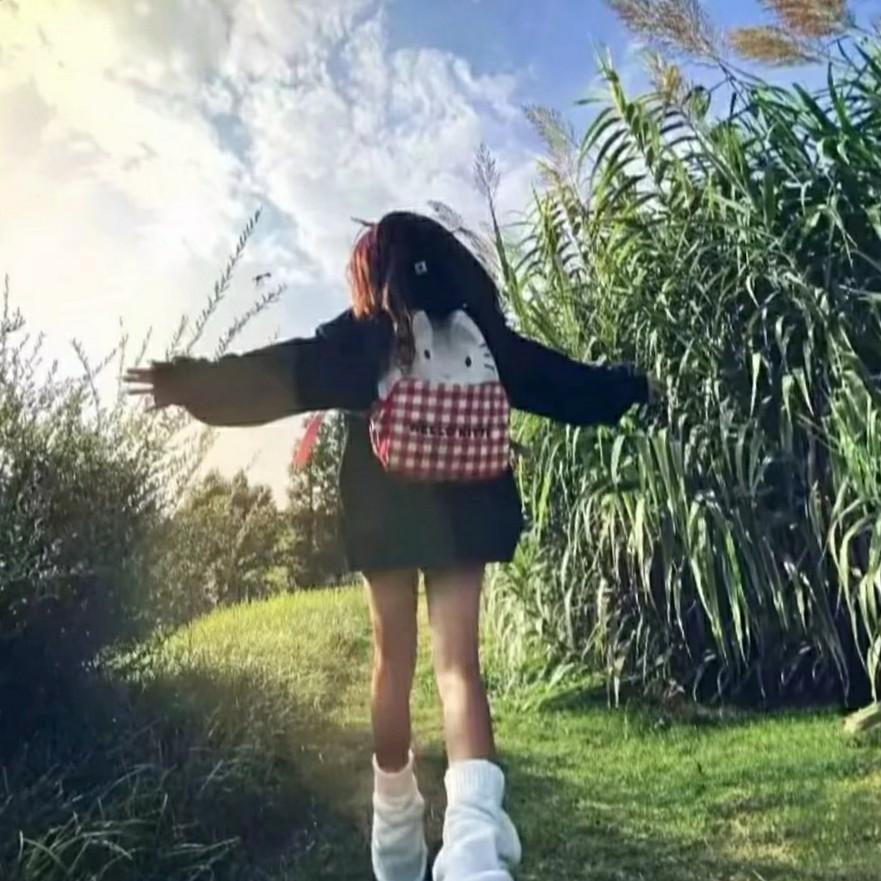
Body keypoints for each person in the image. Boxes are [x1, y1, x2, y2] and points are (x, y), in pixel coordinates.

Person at [125, 211, 655, 881]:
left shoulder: (369, 335)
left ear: (374, 271)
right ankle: (473, 854)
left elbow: (282, 374)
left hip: (384, 510)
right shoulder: (479, 333)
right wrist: (629, 385)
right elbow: (558, 381)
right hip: (469, 503)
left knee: (391, 668)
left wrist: (187, 382)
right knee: (459, 669)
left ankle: (398, 840)